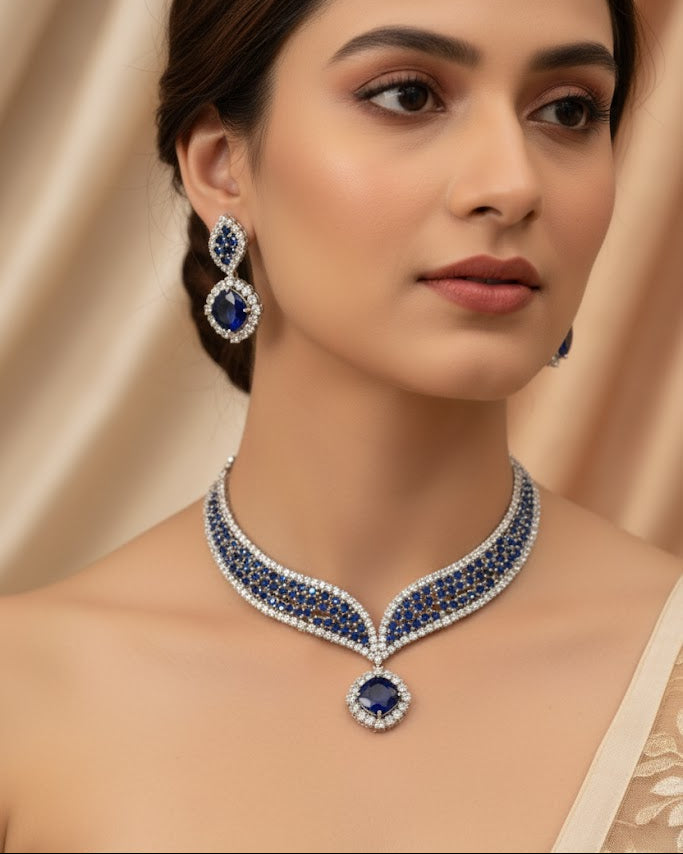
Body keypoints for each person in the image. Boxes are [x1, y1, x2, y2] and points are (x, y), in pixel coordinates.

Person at [1, 0, 681, 851]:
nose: (512, 184)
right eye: (407, 96)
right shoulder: (22, 697)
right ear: (221, 168)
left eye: (568, 111)